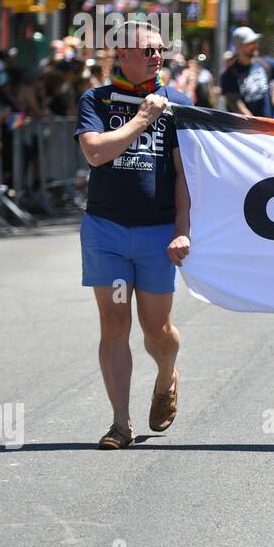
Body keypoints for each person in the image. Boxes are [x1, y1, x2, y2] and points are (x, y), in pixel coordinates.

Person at [74, 22, 193, 450]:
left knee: (157, 330)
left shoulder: (177, 103)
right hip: (106, 231)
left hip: (157, 234)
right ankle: (120, 424)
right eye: (148, 51)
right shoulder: (97, 99)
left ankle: (167, 376)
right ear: (120, 53)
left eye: (161, 50)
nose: (157, 57)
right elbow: (95, 152)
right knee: (114, 323)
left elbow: (185, 176)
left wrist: (183, 231)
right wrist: (142, 119)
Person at [219, 26, 274, 117]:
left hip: (269, 128)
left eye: (255, 42)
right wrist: (258, 126)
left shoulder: (265, 64)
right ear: (239, 47)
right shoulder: (228, 75)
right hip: (247, 129)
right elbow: (236, 106)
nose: (255, 46)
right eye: (250, 43)